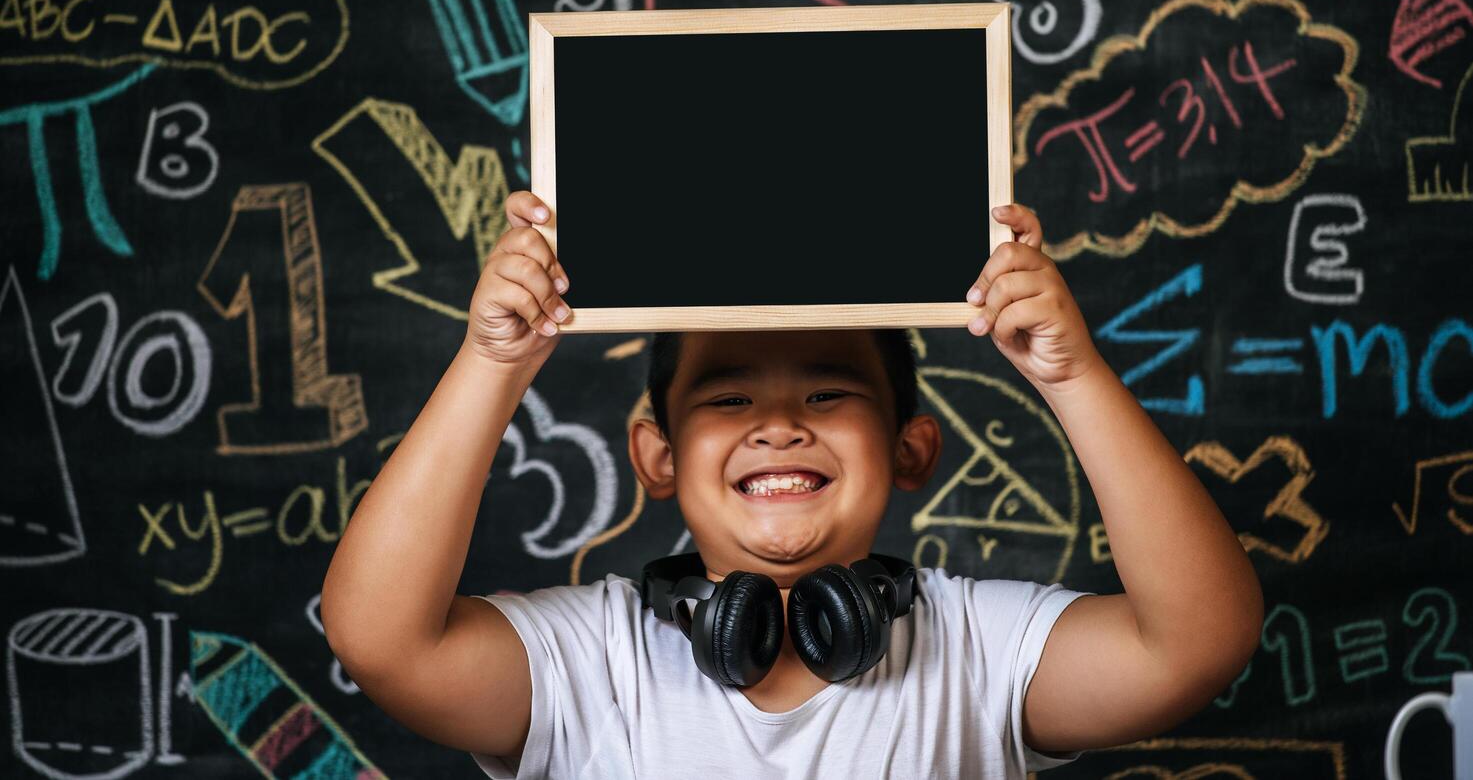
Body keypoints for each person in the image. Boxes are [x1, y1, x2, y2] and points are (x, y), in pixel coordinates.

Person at [320, 190, 1263, 779]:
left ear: (912, 449)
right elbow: (380, 637)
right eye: (727, 398)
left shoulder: (979, 647)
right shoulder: (588, 661)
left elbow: (1197, 642)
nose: (779, 424)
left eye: (829, 389)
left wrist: (1071, 375)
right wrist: (496, 363)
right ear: (657, 455)